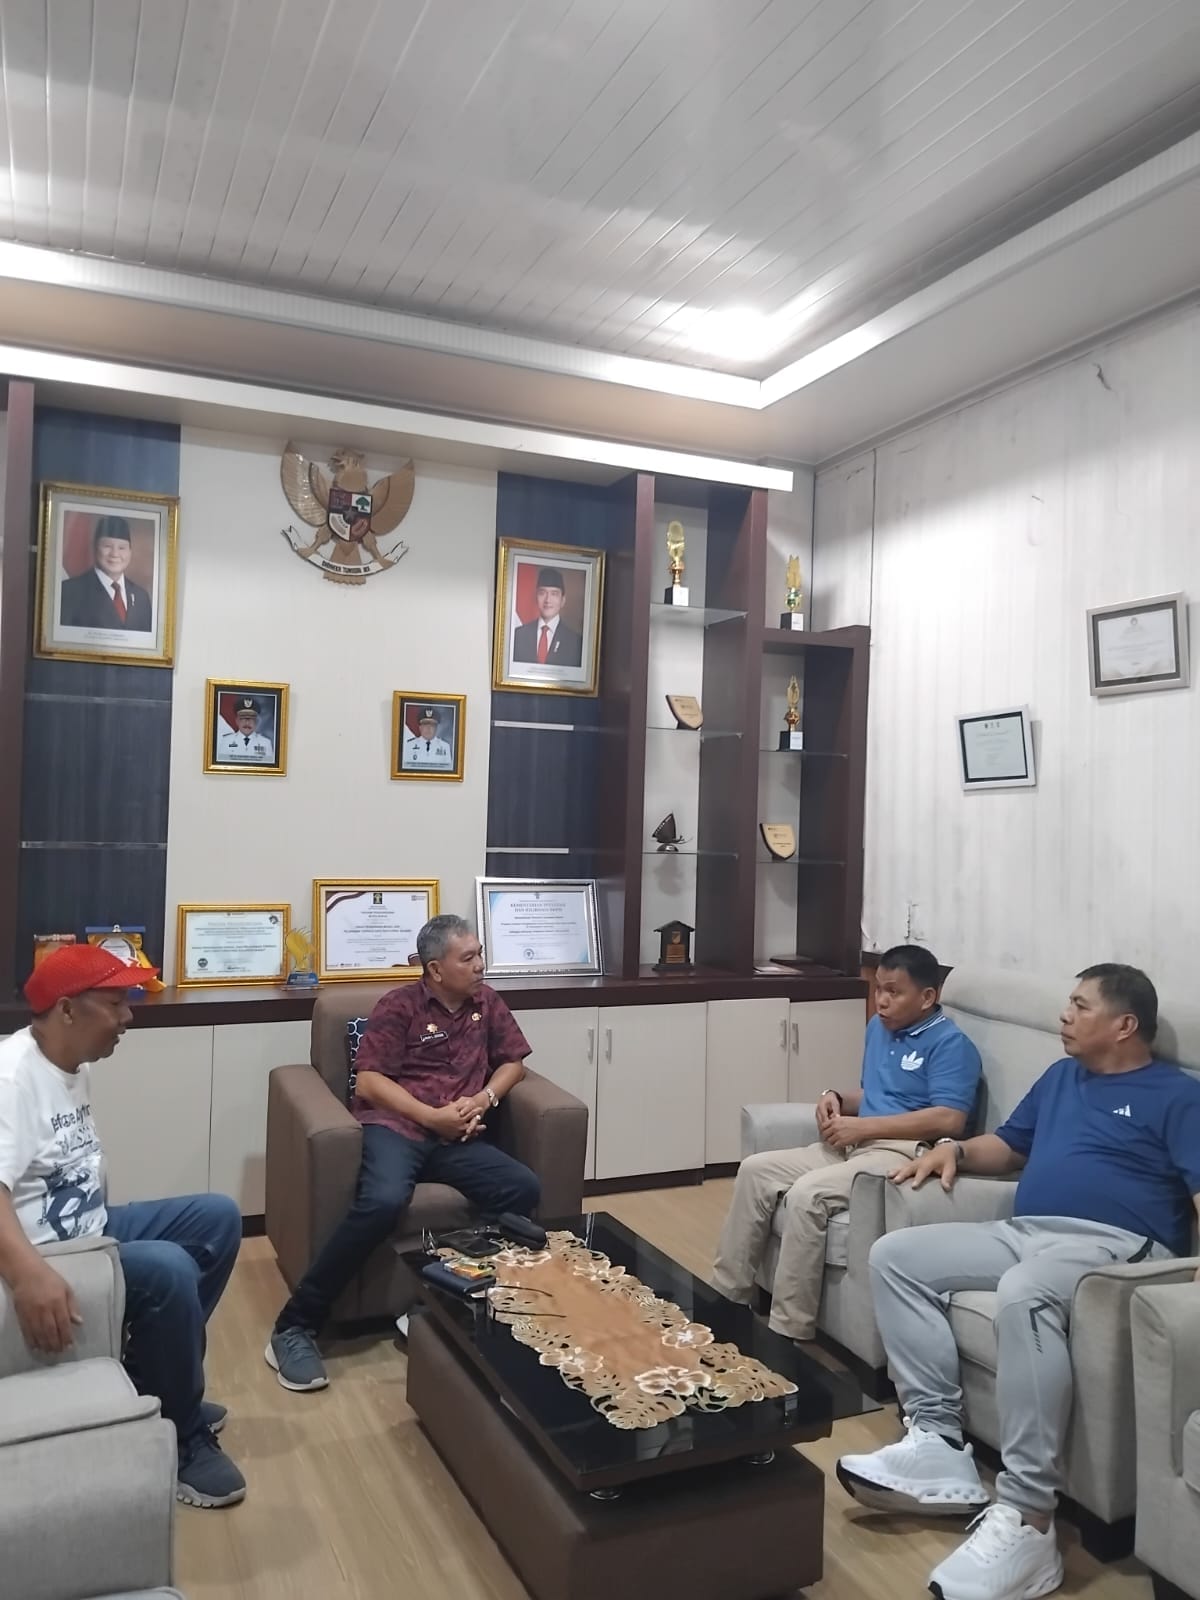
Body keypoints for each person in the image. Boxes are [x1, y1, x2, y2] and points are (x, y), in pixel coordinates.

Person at [837, 963, 1200, 1600]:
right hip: (1025, 1230)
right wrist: (955, 1150)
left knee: (1024, 1292)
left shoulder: (1177, 1096)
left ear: (1124, 1025)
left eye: (1080, 1006)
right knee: (895, 1256)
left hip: (1114, 1247)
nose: (1065, 1015)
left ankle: (1031, 1518)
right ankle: (938, 1440)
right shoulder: (1061, 1077)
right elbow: (1009, 1146)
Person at [0, 945, 245, 1508]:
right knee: (169, 1269)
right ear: (67, 1010)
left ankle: (155, 1381)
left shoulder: (71, 1064)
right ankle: (179, 1436)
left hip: (90, 1230)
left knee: (217, 1218)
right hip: (50, 1254)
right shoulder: (12, 1080)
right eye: (115, 1003)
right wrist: (29, 1275)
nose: (128, 1017)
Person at [266, 913, 540, 1391]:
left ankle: (437, 1304)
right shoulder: (399, 1006)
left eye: (479, 954)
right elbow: (370, 1082)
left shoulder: (487, 1002)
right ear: (435, 969)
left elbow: (512, 1062)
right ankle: (294, 1326)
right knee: (383, 1201)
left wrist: (483, 1099)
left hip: (457, 1136)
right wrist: (432, 1116)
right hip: (398, 1128)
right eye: (468, 958)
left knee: (520, 1188)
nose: (480, 965)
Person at [711, 944, 981, 1342]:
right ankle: (724, 1298)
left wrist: (865, 1128)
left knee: (808, 1195)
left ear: (927, 997)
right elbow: (876, 1094)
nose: (882, 1000)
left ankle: (788, 1329)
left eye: (894, 992)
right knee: (755, 1170)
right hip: (855, 1145)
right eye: (879, 989)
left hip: (900, 1152)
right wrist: (836, 1097)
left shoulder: (950, 1044)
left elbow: (950, 1118)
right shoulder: (879, 1029)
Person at [59, 515, 153, 632]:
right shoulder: (69, 591)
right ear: (95, 548)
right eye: (107, 546)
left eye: (122, 548)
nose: (115, 554)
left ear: (130, 552)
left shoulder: (141, 597)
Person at [512, 566, 583, 667]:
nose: (547, 600)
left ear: (562, 600)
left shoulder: (576, 642)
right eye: (542, 593)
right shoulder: (518, 635)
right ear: (536, 597)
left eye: (554, 594)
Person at [217, 697, 275, 764]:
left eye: (251, 719)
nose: (247, 723)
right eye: (243, 718)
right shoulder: (226, 741)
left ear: (256, 722)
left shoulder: (266, 743)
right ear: (237, 721)